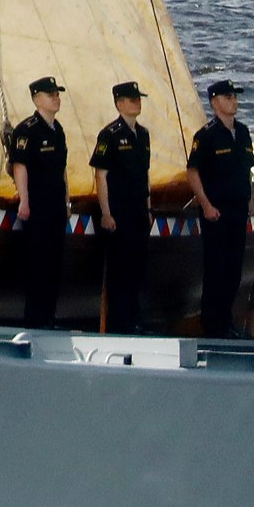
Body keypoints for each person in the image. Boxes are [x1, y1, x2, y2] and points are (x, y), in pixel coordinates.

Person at [186, 79, 254, 339]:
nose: (233, 101)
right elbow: (192, 172)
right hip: (216, 211)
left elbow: (246, 168)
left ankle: (226, 321)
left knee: (233, 269)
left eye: (235, 97)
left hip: (238, 209)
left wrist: (249, 198)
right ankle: (212, 324)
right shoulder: (206, 136)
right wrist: (205, 204)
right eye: (228, 97)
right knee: (216, 268)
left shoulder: (243, 132)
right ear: (215, 103)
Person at [91, 80, 155, 334]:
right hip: (119, 210)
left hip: (139, 208)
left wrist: (149, 208)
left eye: (138, 98)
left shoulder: (143, 134)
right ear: (119, 104)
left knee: (138, 267)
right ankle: (121, 323)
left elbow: (145, 174)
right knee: (121, 269)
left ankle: (134, 320)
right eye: (131, 99)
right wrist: (106, 212)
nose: (137, 102)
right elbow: (101, 175)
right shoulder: (110, 135)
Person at [9, 76, 70, 329]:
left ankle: (49, 316)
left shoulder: (57, 130)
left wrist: (67, 201)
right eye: (50, 94)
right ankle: (34, 319)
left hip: (55, 205)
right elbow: (19, 166)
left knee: (54, 263)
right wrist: (24, 200)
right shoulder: (27, 130)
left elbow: (62, 168)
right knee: (37, 263)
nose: (56, 97)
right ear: (36, 99)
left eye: (57, 93)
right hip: (37, 206)